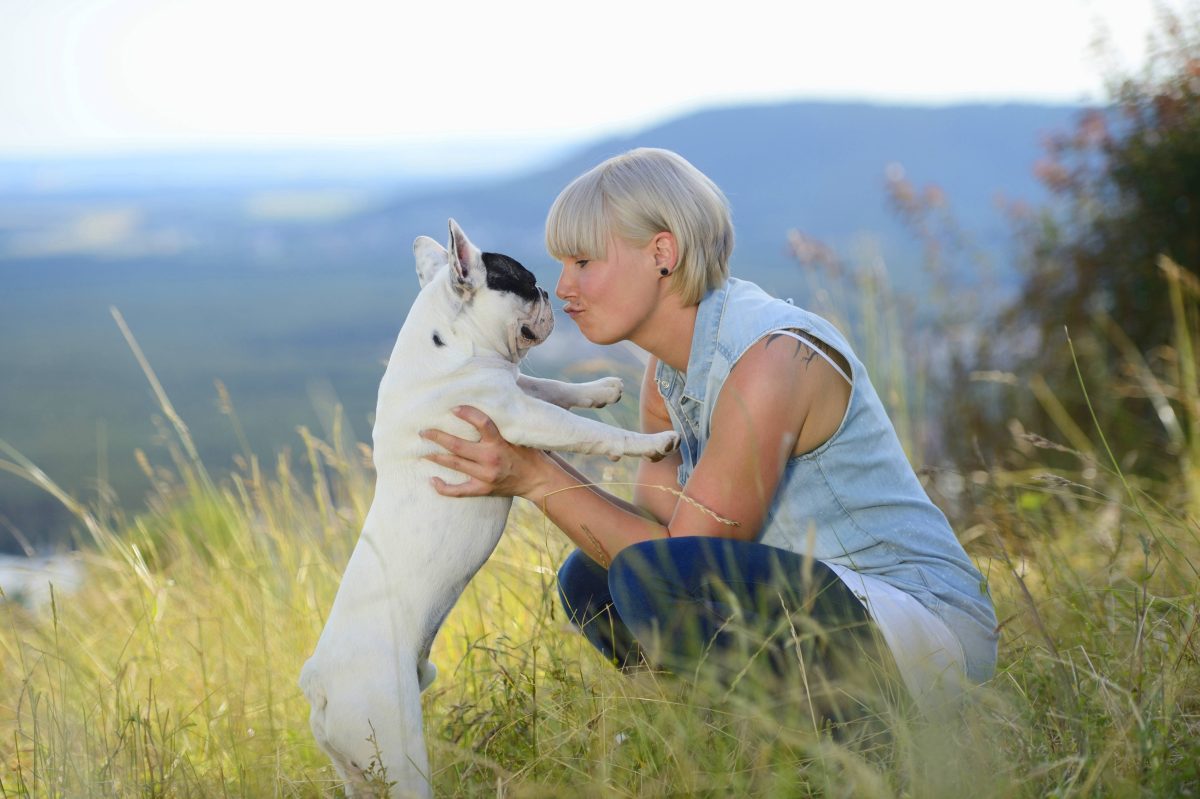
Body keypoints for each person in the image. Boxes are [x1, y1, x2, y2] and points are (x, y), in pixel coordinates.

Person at [419, 147, 998, 717]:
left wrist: (535, 475)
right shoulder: (667, 374)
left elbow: (681, 559)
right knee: (593, 579)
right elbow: (652, 531)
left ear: (662, 253)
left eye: (584, 263)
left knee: (658, 577)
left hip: (926, 627)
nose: (563, 287)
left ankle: (864, 741)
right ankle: (736, 735)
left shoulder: (772, 358)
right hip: (832, 607)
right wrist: (527, 445)